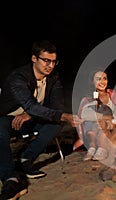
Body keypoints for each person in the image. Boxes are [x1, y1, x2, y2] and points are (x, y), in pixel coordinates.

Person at [0, 40, 82, 200]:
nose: (50, 66)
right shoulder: (19, 78)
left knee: (55, 123)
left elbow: (56, 107)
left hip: (31, 118)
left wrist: (29, 115)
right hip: (7, 118)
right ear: (34, 58)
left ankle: (26, 158)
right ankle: (11, 178)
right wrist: (63, 115)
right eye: (46, 60)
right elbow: (30, 105)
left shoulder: (53, 78)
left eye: (53, 62)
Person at [77, 69, 116, 161]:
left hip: (112, 127)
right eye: (98, 79)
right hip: (93, 128)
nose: (102, 82)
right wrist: (104, 117)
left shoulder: (114, 95)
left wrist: (109, 120)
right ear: (92, 81)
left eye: (104, 78)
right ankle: (92, 148)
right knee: (92, 123)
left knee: (102, 124)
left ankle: (101, 148)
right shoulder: (88, 98)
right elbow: (84, 114)